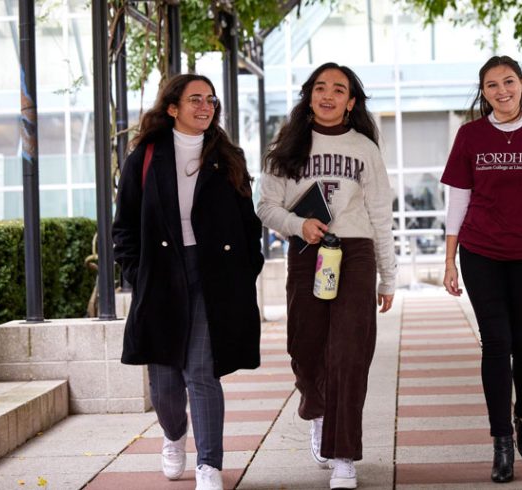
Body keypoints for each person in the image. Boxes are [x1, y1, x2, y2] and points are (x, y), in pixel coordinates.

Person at [113, 74, 264, 490]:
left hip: (213, 274)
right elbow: (123, 226)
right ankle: (174, 433)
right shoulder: (144, 156)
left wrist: (247, 267)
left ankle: (209, 465)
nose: (205, 106)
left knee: (201, 370)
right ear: (173, 108)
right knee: (163, 381)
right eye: (195, 99)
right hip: (161, 274)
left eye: (210, 100)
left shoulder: (227, 155)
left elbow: (248, 224)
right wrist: (137, 274)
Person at [257, 62, 396, 490]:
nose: (329, 95)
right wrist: (300, 226)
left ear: (351, 102)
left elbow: (380, 215)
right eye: (321, 87)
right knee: (306, 346)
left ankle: (343, 456)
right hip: (306, 252)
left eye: (339, 89)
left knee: (350, 354)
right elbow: (265, 206)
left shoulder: (365, 149)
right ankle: (316, 408)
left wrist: (388, 277)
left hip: (354, 253)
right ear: (310, 95)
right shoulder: (286, 145)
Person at [440, 55, 522, 484]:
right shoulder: (469, 136)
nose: (502, 91)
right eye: (492, 85)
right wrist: (449, 260)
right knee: (496, 343)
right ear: (484, 92)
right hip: (481, 252)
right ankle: (501, 442)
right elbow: (458, 201)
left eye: (508, 82)